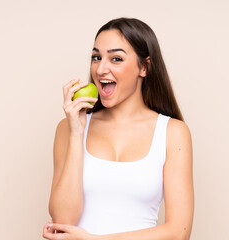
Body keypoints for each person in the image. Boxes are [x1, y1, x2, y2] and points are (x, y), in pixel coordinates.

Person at [43, 17, 194, 240]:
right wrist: (77, 132)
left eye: (116, 58)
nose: (101, 69)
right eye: (96, 57)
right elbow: (63, 221)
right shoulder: (68, 128)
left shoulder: (172, 133)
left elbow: (178, 232)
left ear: (144, 67)